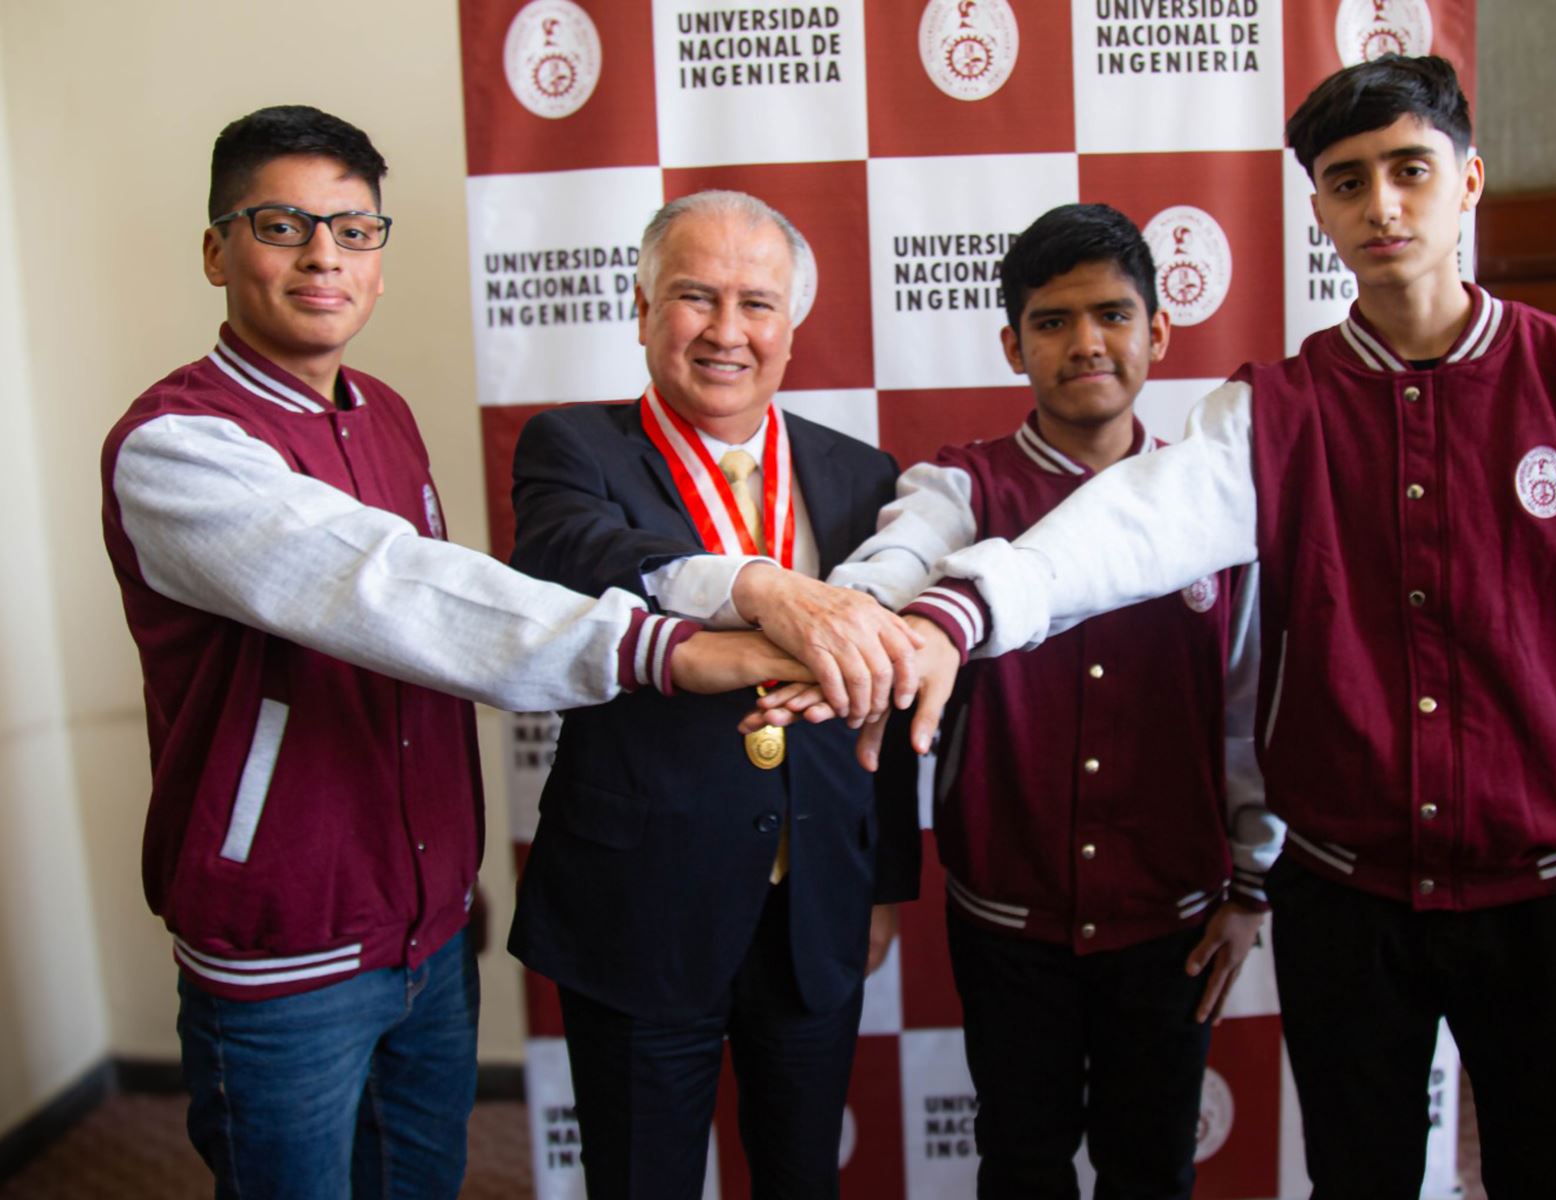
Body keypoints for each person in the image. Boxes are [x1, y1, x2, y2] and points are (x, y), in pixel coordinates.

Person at [785, 56, 1556, 1199]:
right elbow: (1122, 526)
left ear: (1468, 182)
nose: (1380, 206)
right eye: (1346, 181)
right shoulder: (1271, 412)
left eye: (1410, 171)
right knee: (1356, 1182)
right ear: (1317, 207)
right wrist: (951, 614)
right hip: (1350, 899)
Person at [99, 107, 802, 1200]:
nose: (324, 255)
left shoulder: (382, 415)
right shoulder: (176, 449)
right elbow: (398, 595)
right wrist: (674, 649)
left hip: (426, 933)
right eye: (282, 225)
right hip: (287, 954)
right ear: (215, 249)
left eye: (354, 229)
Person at [817, 203, 1283, 1198]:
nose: (1086, 344)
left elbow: (1248, 714)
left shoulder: (1212, 504)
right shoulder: (960, 489)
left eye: (1114, 315)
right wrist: (843, 610)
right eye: (1053, 321)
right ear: (1012, 343)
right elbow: (899, 555)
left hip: (1176, 922)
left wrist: (1253, 885)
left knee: (1152, 1169)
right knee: (1020, 1165)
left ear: (1159, 332)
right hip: (1007, 921)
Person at [504, 190, 921, 1200]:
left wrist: (884, 879)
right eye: (696, 297)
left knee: (800, 1178)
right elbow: (581, 558)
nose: (728, 332)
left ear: (792, 325)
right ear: (642, 306)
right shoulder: (573, 449)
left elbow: (889, 696)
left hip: (816, 900)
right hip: (638, 903)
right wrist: (758, 587)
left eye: (758, 303)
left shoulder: (862, 474)